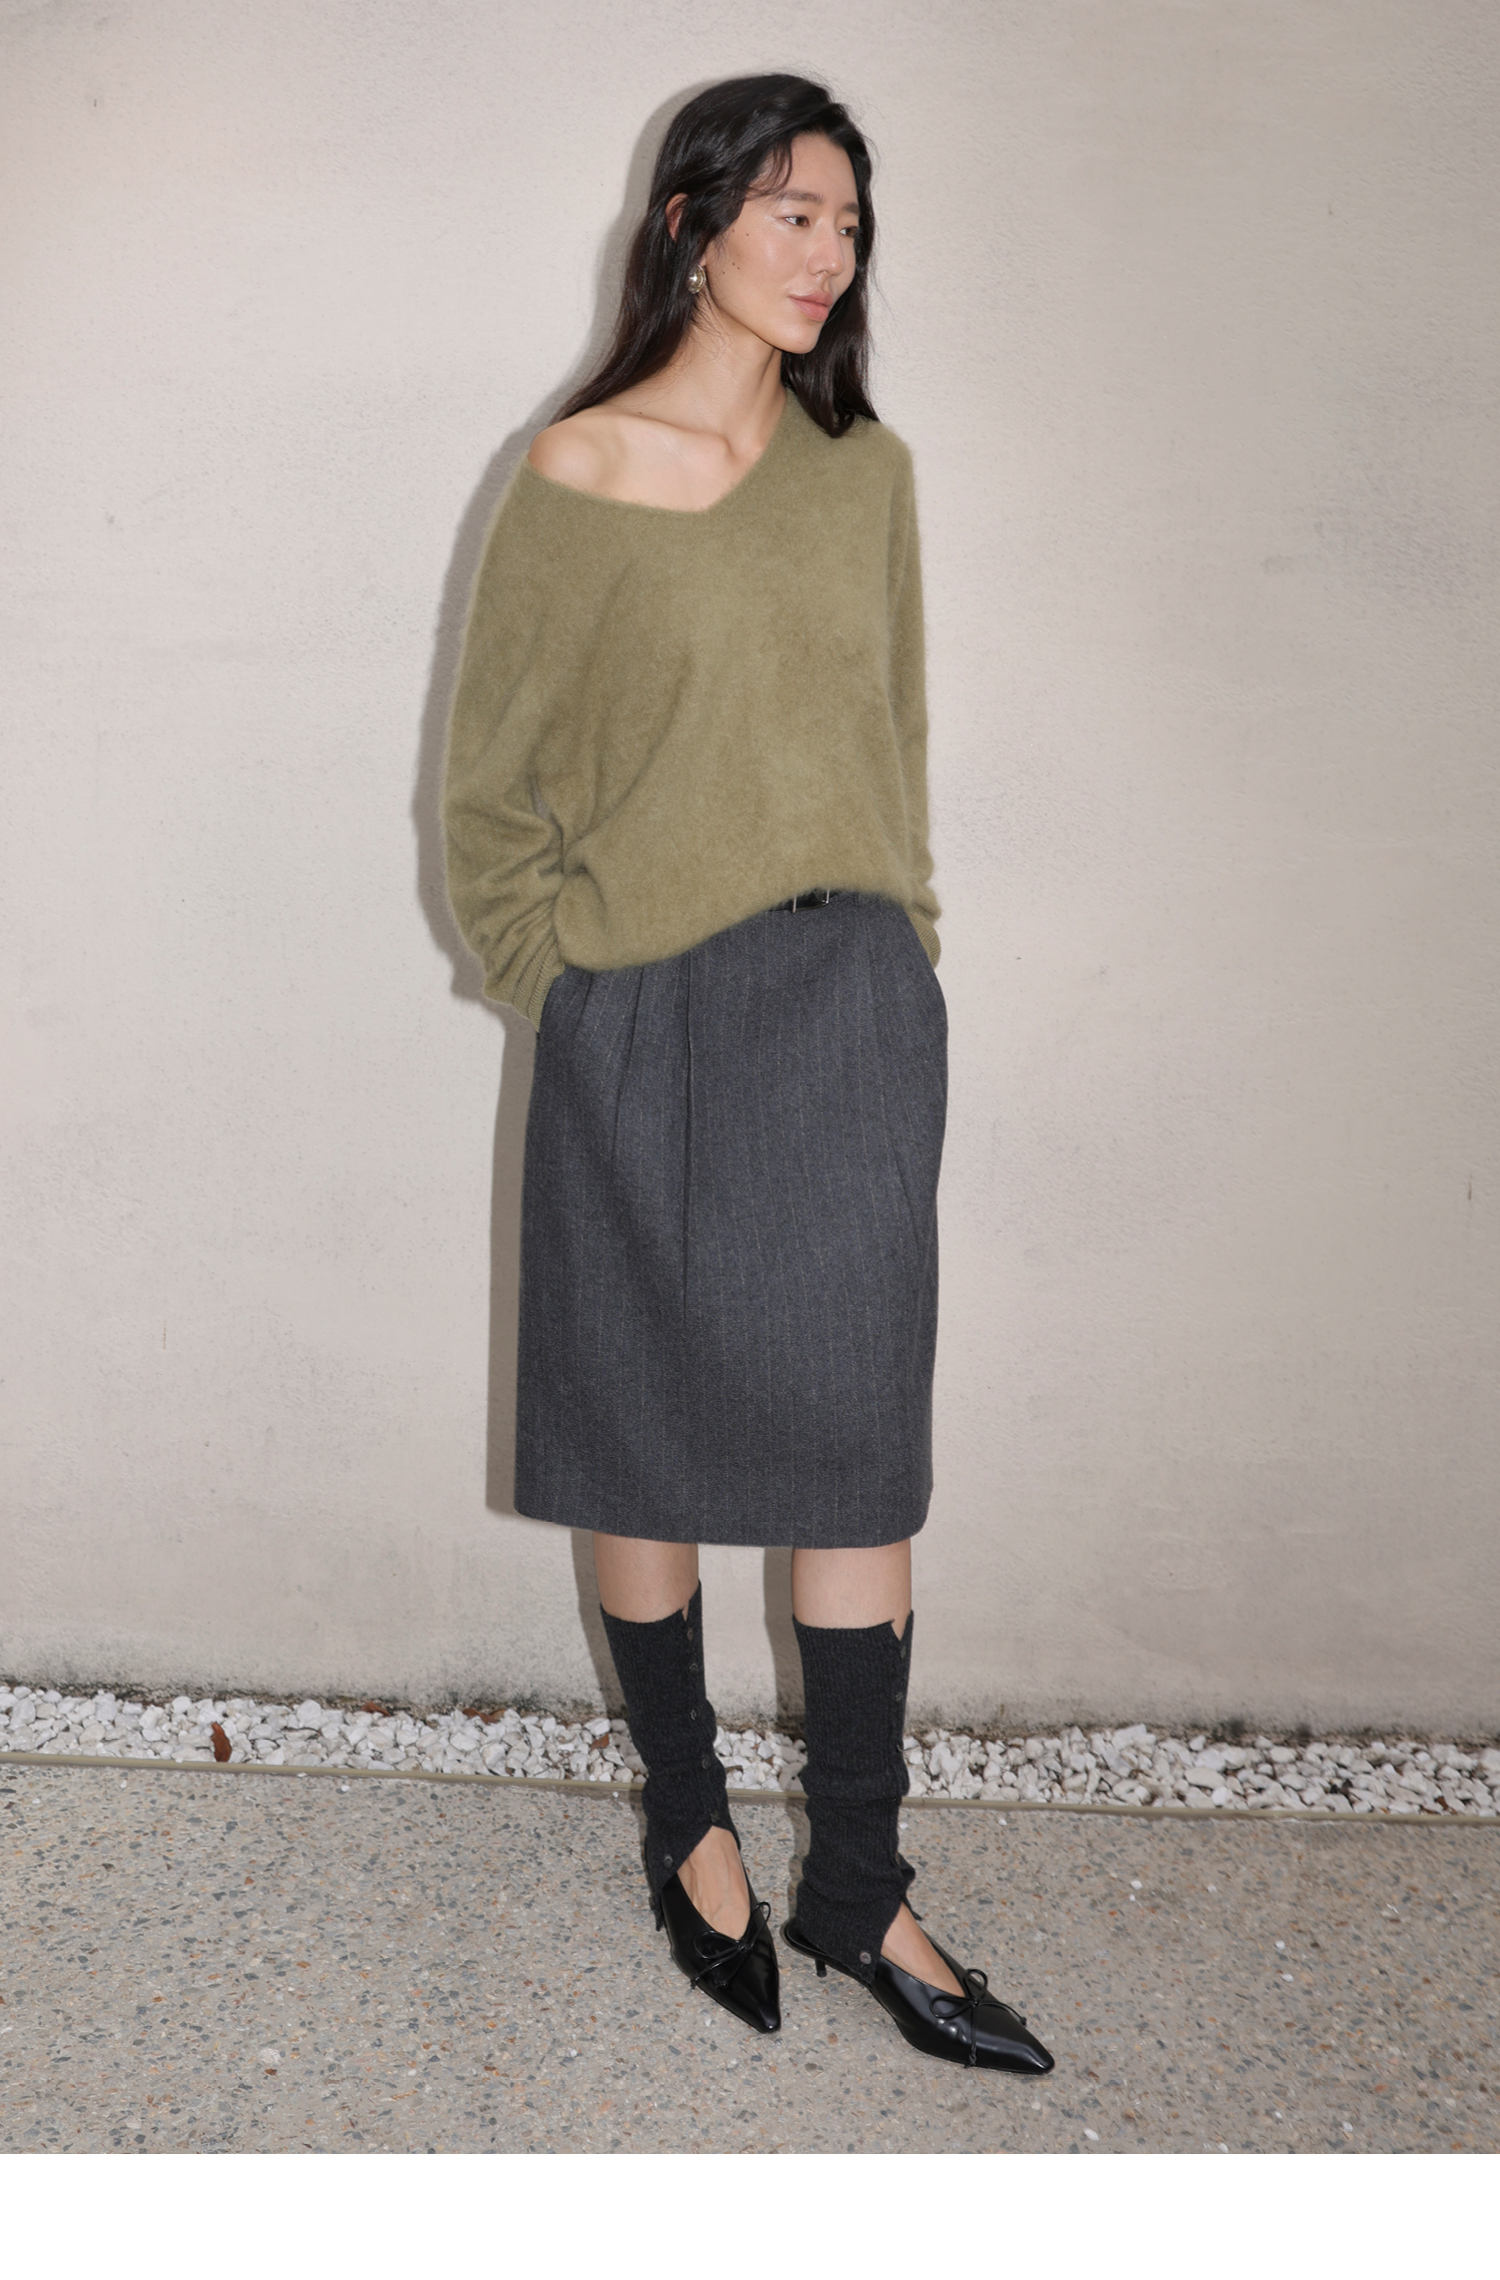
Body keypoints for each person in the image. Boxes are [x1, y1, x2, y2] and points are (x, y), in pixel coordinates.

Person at [444, 73, 1052, 2076]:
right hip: (644, 1012)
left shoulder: (864, 473)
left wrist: (909, 965)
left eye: (850, 224)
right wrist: (566, 994)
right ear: (691, 224)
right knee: (639, 1428)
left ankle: (859, 1880)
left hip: (847, 1008)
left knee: (853, 1452)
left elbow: (898, 749)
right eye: (794, 212)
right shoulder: (575, 471)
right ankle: (690, 1818)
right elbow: (490, 802)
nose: (828, 254)